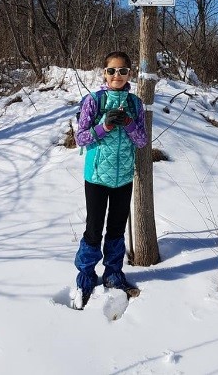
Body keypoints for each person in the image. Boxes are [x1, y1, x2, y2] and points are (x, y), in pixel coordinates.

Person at [73, 51, 147, 309]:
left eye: (123, 70)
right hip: (95, 177)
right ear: (104, 72)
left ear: (130, 73)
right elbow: (79, 138)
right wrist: (104, 126)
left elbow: (141, 141)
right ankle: (85, 275)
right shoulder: (93, 101)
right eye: (112, 70)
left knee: (116, 228)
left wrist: (127, 122)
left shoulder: (135, 104)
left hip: (123, 177)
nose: (117, 75)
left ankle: (113, 274)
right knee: (94, 229)